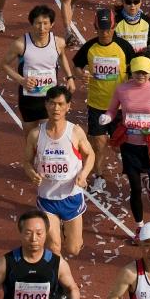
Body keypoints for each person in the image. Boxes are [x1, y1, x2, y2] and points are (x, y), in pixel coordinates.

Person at [101, 54, 150, 231]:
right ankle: (139, 226)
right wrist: (106, 117)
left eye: (144, 72)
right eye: (136, 72)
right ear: (131, 72)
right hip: (130, 146)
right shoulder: (122, 89)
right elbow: (111, 110)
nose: (140, 76)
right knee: (134, 188)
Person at [24, 86, 95, 259]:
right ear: (46, 105)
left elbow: (90, 154)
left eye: (61, 104)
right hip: (47, 198)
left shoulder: (75, 132)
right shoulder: (35, 134)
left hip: (71, 197)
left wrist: (83, 174)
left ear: (68, 106)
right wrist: (32, 174)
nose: (56, 108)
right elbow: (26, 161)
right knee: (55, 247)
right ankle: (60, 283)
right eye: (52, 104)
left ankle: (67, 229)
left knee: (73, 249)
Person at [73, 8, 134, 190]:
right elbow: (76, 65)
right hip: (96, 105)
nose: (105, 33)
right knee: (98, 144)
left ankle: (130, 170)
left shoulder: (124, 47)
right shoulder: (90, 47)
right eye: (101, 29)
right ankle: (99, 176)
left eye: (108, 29)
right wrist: (80, 74)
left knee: (119, 145)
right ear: (95, 28)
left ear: (114, 27)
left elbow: (136, 69)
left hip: (119, 107)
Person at [3, 4, 75, 126]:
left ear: (52, 24)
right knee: (31, 138)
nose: (42, 28)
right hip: (28, 98)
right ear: (32, 24)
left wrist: (70, 78)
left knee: (48, 135)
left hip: (51, 98)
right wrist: (21, 80)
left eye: (46, 23)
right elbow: (4, 65)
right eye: (38, 23)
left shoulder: (59, 43)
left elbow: (62, 57)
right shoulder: (20, 44)